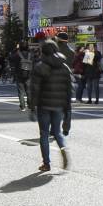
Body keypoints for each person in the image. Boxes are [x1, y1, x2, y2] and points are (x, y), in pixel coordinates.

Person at [30, 38, 74, 172]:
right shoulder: (64, 67)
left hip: (44, 105)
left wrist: (32, 106)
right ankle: (63, 149)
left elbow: (34, 89)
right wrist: (67, 108)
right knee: (57, 132)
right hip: (59, 105)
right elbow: (69, 89)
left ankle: (46, 163)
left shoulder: (40, 66)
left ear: (43, 51)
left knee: (44, 134)